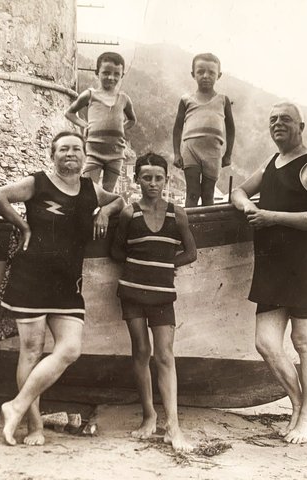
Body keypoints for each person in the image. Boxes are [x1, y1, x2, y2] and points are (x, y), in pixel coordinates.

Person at [0, 131, 125, 446]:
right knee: (31, 351)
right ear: (53, 155)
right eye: (63, 149)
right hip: (31, 276)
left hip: (67, 283)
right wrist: (22, 225)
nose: (70, 153)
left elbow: (118, 200)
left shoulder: (90, 189)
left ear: (85, 156)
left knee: (70, 349)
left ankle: (15, 406)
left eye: (76, 149)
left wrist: (104, 212)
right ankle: (34, 427)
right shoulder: (38, 183)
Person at [230, 102, 307, 444]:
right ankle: (298, 405)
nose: (277, 124)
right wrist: (248, 205)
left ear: (300, 126)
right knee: (265, 342)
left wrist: (271, 217)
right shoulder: (271, 163)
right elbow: (238, 191)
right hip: (273, 265)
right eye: (272, 119)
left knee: (304, 342)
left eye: (285, 119)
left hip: (305, 265)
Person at [110, 152, 197, 452]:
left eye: (158, 178)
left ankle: (173, 425)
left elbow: (191, 253)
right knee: (141, 352)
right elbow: (116, 252)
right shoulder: (129, 214)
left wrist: (165, 264)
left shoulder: (177, 214)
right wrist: (140, 264)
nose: (153, 183)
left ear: (167, 180)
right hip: (132, 293)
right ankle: (149, 417)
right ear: (136, 179)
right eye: (146, 177)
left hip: (162, 295)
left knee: (165, 355)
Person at [65, 51, 137, 192]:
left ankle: (105, 207)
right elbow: (69, 113)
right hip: (94, 152)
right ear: (97, 73)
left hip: (116, 153)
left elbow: (132, 120)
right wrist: (85, 125)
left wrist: (120, 128)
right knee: (88, 189)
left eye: (116, 74)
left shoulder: (124, 99)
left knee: (108, 191)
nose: (111, 77)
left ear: (122, 76)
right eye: (106, 73)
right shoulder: (90, 95)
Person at [173, 52, 235, 207]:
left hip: (213, 152)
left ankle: (208, 223)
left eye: (211, 72)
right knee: (192, 192)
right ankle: (189, 223)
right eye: (200, 72)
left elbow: (230, 129)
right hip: (191, 150)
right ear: (193, 74)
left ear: (219, 75)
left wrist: (228, 154)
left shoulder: (223, 100)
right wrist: (176, 153)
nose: (206, 76)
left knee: (208, 194)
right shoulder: (186, 100)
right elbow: (178, 128)